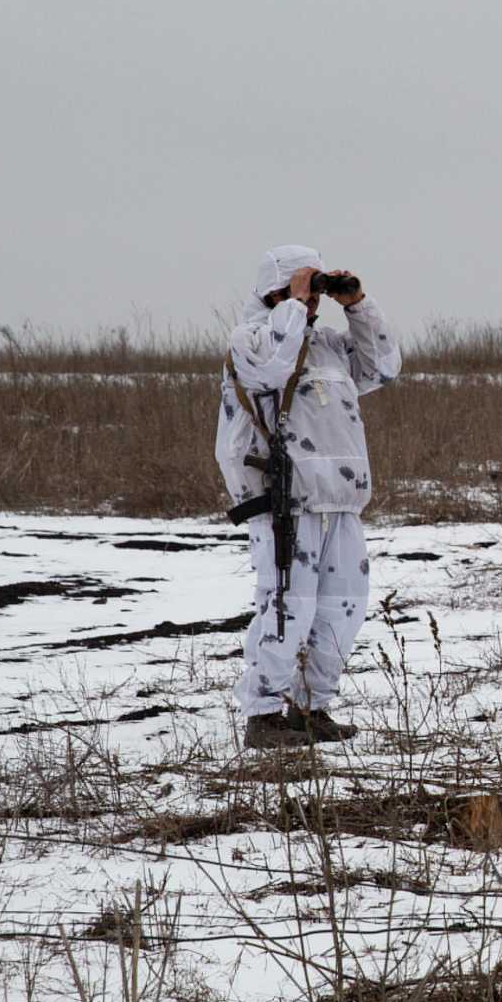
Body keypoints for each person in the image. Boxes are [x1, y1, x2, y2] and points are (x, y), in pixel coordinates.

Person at [215, 244, 402, 747]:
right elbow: (273, 369)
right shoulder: (250, 339)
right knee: (286, 607)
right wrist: (295, 304)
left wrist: (358, 304)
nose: (313, 300)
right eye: (301, 288)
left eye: (316, 289)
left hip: (341, 496)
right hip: (284, 500)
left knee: (344, 607)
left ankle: (312, 706)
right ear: (272, 291)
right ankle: (262, 714)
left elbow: (382, 368)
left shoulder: (329, 346)